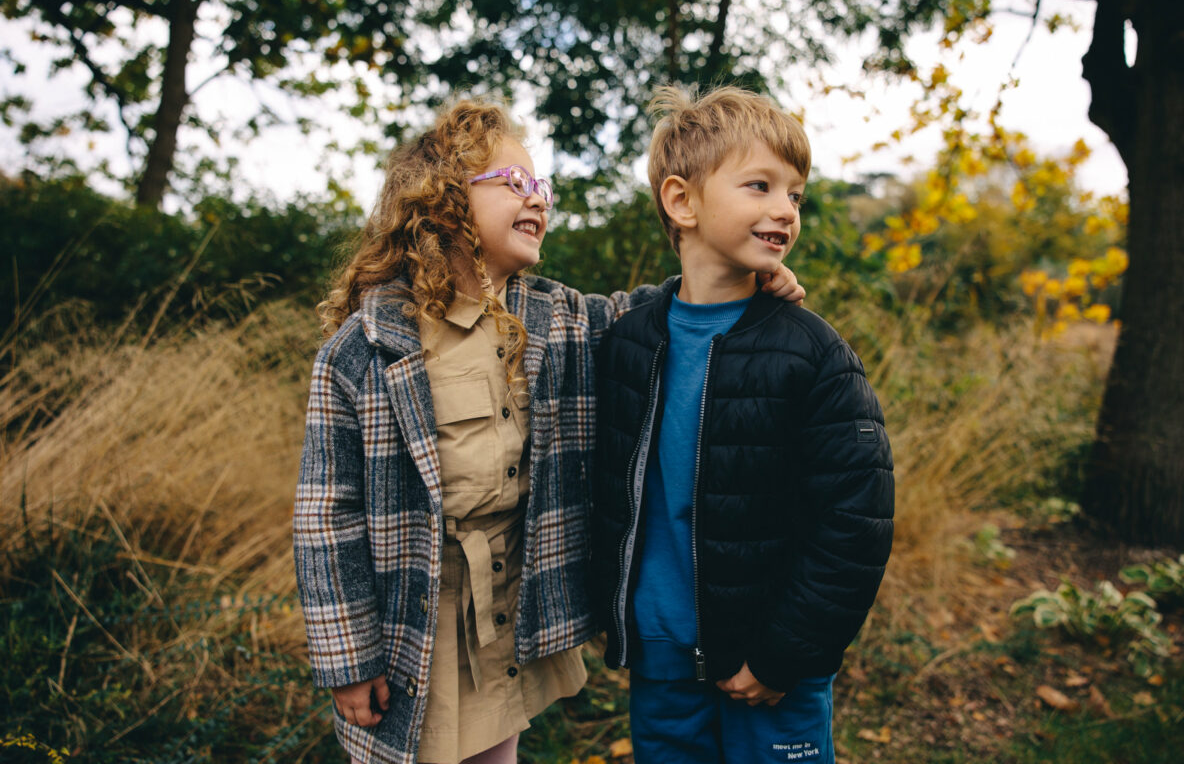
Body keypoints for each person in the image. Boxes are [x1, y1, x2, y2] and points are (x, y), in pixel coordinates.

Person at [293, 99, 807, 764]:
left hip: (509, 606)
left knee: (496, 748)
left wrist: (743, 274)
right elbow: (326, 515)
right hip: (413, 619)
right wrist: (347, 655)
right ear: (442, 203)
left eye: (544, 187)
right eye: (514, 184)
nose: (538, 199)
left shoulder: (555, 317)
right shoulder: (366, 348)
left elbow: (648, 314)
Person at [591, 84, 895, 764]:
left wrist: (786, 652)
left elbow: (855, 523)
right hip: (662, 658)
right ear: (682, 201)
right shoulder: (628, 344)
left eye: (795, 195)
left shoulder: (812, 353)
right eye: (760, 186)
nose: (784, 210)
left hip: (771, 663)